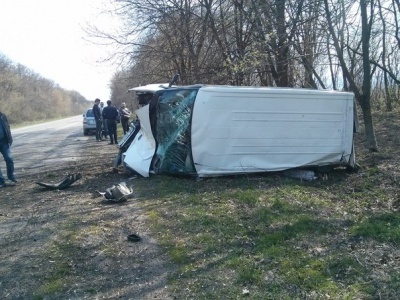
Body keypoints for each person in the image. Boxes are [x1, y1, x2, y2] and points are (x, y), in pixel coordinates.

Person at [0, 111, 16, 187]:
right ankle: (1, 181)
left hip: (4, 142)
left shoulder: (2, 116)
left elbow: (7, 127)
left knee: (9, 158)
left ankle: (11, 177)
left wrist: (10, 139)